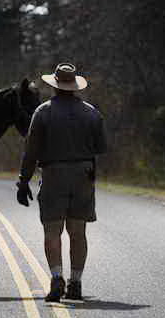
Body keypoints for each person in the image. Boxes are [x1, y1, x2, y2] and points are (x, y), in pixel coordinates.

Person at [16, 63, 107, 302]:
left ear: (54, 85)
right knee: (78, 232)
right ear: (74, 86)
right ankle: (75, 283)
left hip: (54, 173)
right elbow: (100, 148)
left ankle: (56, 277)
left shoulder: (43, 112)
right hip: (83, 175)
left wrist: (23, 181)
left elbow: (31, 151)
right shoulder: (91, 112)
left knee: (52, 230)